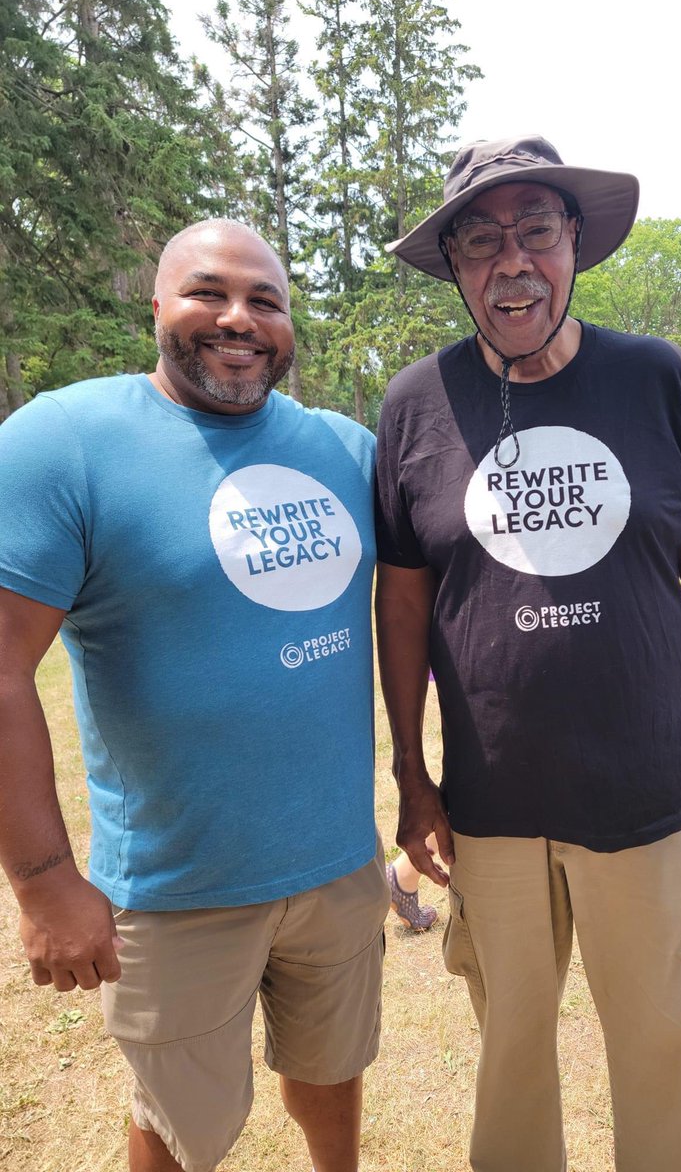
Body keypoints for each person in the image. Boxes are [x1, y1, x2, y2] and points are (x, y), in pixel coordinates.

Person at [374, 136, 681, 1172]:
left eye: (534, 231)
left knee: (662, 1049)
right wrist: (413, 777)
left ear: (575, 245)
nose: (510, 260)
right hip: (492, 810)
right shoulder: (414, 407)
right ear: (457, 267)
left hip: (643, 799)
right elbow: (404, 604)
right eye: (481, 239)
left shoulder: (657, 381)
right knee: (509, 1053)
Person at [0, 220, 390, 1172]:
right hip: (179, 890)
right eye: (209, 293)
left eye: (266, 301)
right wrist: (45, 881)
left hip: (337, 865)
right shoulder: (65, 441)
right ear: (158, 307)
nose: (238, 319)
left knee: (333, 1073)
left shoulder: (345, 449)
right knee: (182, 1125)